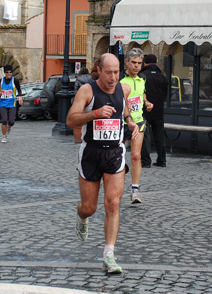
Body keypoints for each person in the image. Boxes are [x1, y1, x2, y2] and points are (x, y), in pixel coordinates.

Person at [66, 53, 138, 274]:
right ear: (98, 70)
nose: (113, 77)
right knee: (90, 207)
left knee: (113, 203)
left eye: (117, 72)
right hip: (90, 153)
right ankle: (81, 216)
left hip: (115, 153)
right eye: (109, 72)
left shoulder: (124, 89)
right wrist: (95, 114)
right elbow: (70, 120)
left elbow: (125, 110)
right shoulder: (87, 91)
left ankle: (109, 254)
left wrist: (130, 122)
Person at [120, 48, 153, 205]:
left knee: (136, 156)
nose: (136, 66)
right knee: (117, 156)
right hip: (120, 122)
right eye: (133, 62)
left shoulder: (143, 78)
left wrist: (146, 103)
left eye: (139, 63)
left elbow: (142, 94)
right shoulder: (120, 79)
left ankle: (135, 191)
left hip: (138, 121)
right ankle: (116, 185)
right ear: (127, 62)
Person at [140, 54, 168, 168]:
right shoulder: (163, 77)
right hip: (159, 110)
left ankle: (146, 161)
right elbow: (166, 94)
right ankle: (162, 160)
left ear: (145, 63)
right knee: (159, 136)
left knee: (145, 136)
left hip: (145, 109)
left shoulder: (142, 76)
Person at [0, 65, 23, 143]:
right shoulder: (1, 81)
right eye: (7, 72)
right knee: (4, 120)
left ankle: (9, 127)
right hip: (3, 103)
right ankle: (4, 136)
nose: (9, 73)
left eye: (10, 72)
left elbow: (19, 90)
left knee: (11, 121)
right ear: (5, 73)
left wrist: (19, 97)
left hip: (12, 103)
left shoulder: (15, 81)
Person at [73, 67, 95, 143]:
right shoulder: (91, 78)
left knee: (78, 121)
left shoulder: (78, 79)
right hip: (90, 101)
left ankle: (78, 139)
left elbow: (76, 91)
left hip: (80, 102)